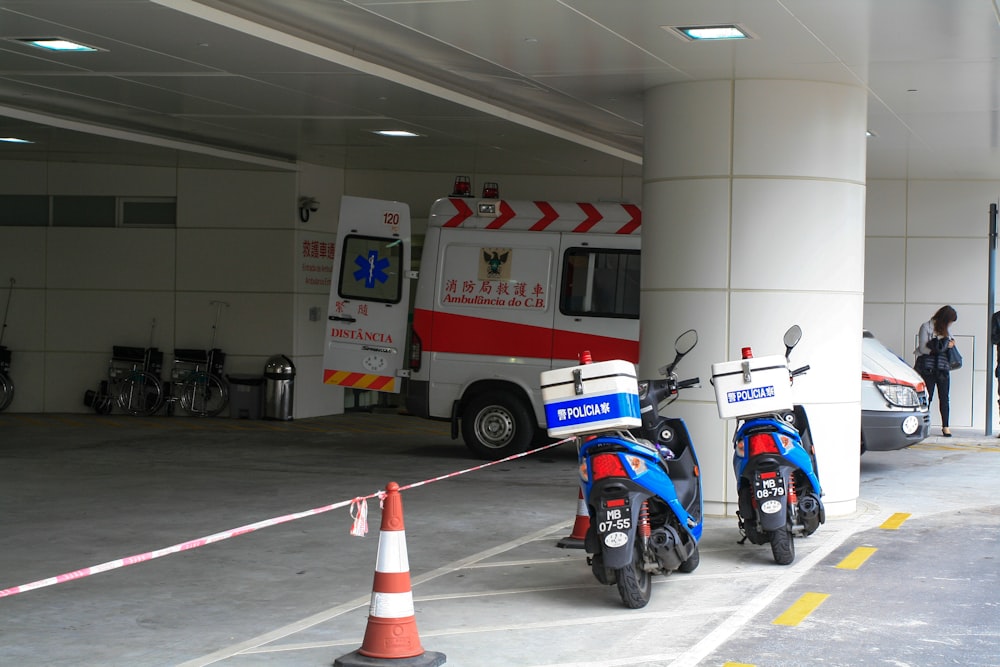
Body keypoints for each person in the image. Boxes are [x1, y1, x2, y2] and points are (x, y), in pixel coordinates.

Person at [914, 305, 958, 436]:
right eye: (950, 321)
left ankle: (946, 426)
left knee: (944, 397)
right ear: (945, 319)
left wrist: (950, 345)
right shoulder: (926, 327)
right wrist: (939, 349)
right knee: (928, 398)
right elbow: (922, 349)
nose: (950, 324)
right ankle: (923, 425)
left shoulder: (947, 330)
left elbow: (951, 344)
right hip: (928, 367)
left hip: (943, 368)